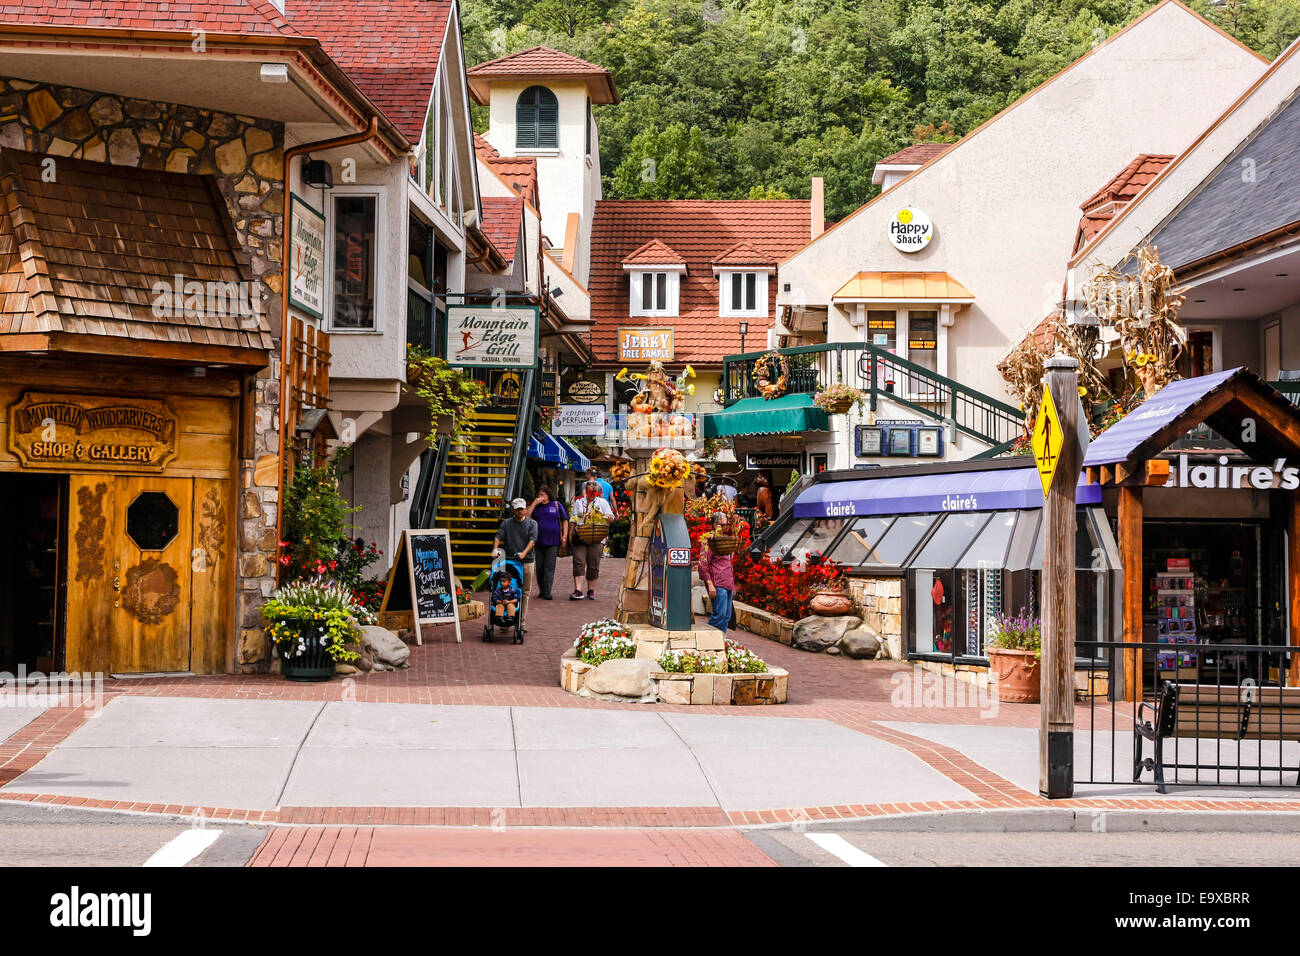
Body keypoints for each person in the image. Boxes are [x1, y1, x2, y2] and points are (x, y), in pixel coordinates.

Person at [492, 498, 537, 630]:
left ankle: (521, 622)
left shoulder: (532, 524)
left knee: (525, 592)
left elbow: (532, 540)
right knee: (506, 590)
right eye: (517, 509)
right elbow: (498, 536)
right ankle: (505, 621)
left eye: (521, 509)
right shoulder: (507, 523)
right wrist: (495, 548)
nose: (519, 511)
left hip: (527, 560)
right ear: (513, 509)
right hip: (510, 561)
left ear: (526, 509)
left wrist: (524, 553)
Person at [568, 479, 614, 600]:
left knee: (593, 564)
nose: (591, 495)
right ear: (585, 492)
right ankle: (578, 590)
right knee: (579, 562)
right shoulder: (579, 502)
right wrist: (569, 535)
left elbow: (611, 518)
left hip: (597, 537)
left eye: (594, 493)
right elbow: (573, 519)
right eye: (589, 493)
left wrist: (603, 516)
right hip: (581, 535)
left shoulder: (602, 502)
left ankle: (591, 590)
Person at [526, 485, 567, 600]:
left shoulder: (556, 505)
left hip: (553, 540)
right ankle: (542, 589)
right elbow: (527, 518)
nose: (541, 497)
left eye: (543, 495)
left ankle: (547, 591)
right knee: (539, 567)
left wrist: (564, 536)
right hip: (538, 541)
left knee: (549, 566)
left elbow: (565, 520)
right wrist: (534, 503)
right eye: (539, 495)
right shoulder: (536, 508)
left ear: (548, 495)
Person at [698, 512, 736, 636]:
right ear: (715, 525)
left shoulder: (726, 540)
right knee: (719, 615)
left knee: (726, 617)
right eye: (722, 525)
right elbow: (703, 565)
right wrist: (709, 584)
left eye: (726, 525)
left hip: (728, 583)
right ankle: (706, 639)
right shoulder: (708, 540)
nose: (725, 527)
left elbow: (728, 563)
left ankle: (720, 642)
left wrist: (733, 585)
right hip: (718, 583)